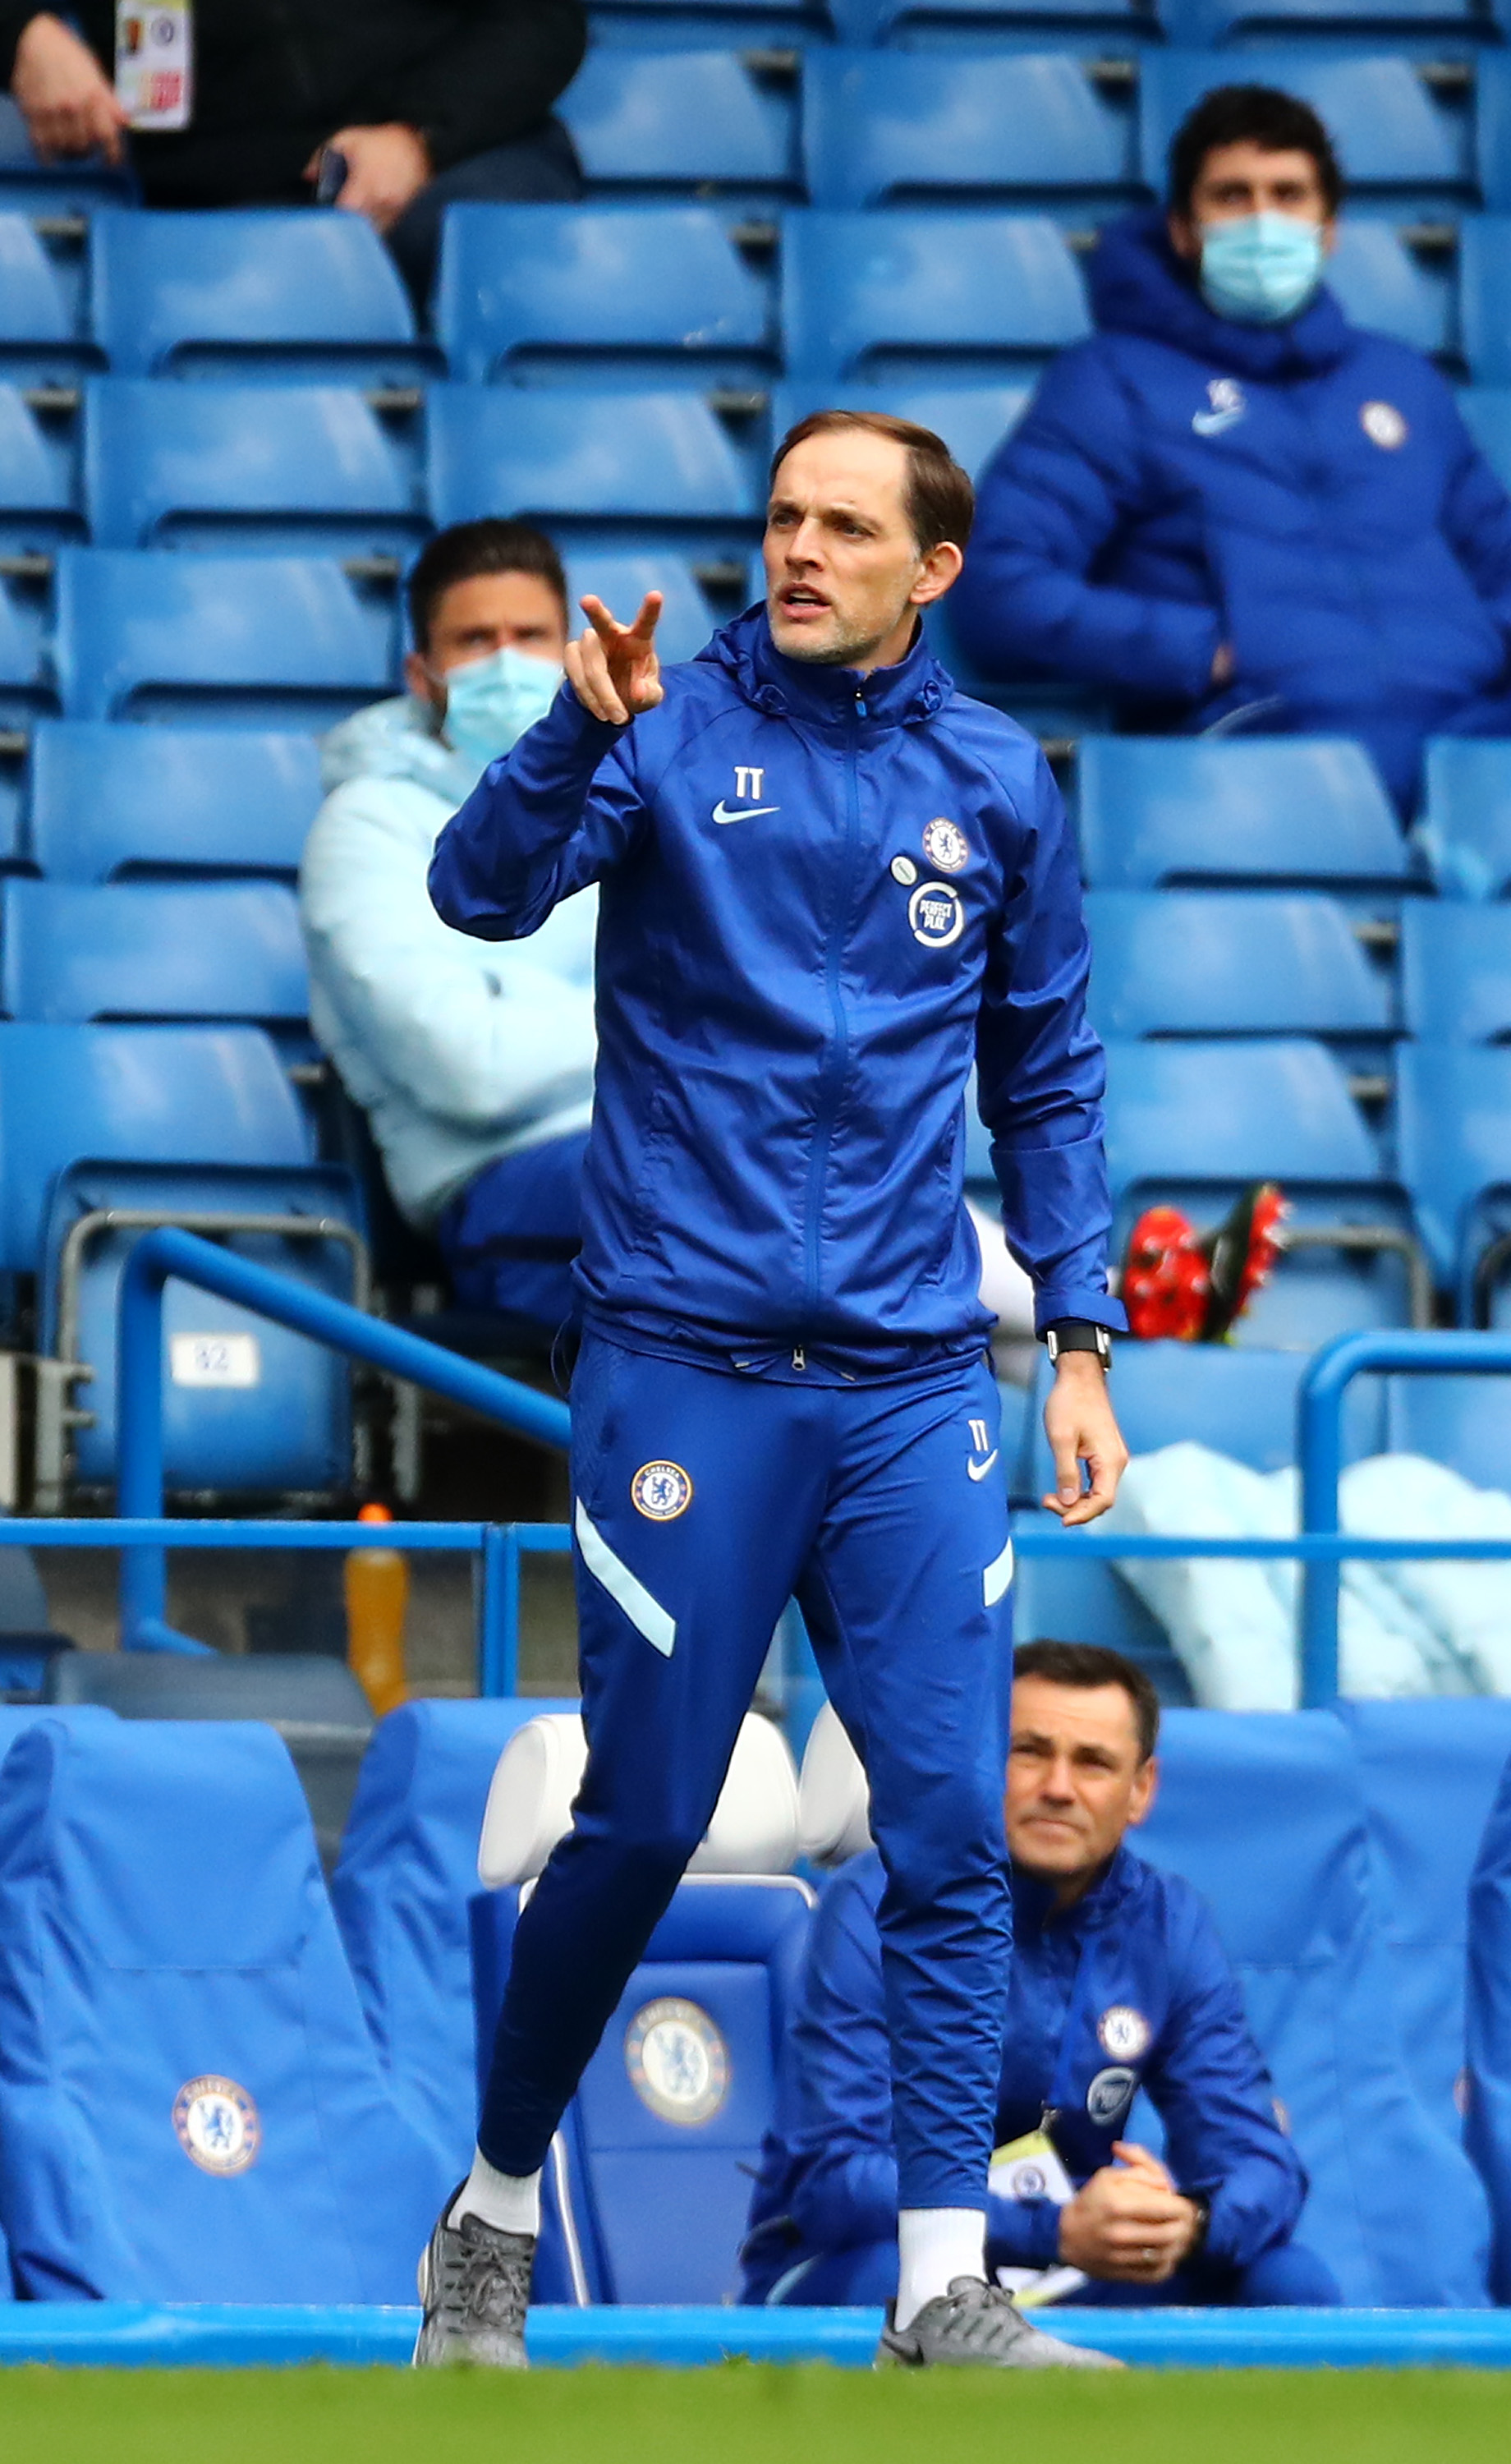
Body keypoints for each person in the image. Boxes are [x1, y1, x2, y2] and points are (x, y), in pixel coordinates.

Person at [415, 409, 1131, 2370]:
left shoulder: (996, 776)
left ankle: (938, 2283)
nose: (795, 551)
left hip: (910, 1381)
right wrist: (569, 728)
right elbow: (473, 893)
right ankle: (484, 2216)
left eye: (840, 526)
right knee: (643, 1816)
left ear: (934, 569)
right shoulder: (658, 725)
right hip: (683, 1367)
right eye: (779, 518)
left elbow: (1049, 1074)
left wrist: (1072, 1334)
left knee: (946, 1829)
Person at [949, 85, 1511, 813]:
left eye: (1288, 194)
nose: (1262, 220)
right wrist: (1203, 653)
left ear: (1329, 227)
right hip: (1264, 738)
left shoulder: (1400, 380)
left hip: (1464, 721)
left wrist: (1494, 649)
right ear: (1185, 230)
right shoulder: (1112, 382)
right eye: (1232, 196)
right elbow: (1001, 584)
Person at [740, 1640, 1339, 2312]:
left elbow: (1259, 2163)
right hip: (870, 2261)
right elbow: (833, 2180)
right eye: (1030, 1752)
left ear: (1140, 1791)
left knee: (1290, 2282)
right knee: (901, 2283)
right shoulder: (873, 1906)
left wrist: (1188, 2224)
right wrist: (1051, 2229)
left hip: (1071, 2265)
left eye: (1093, 1763)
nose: (1058, 1788)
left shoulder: (1168, 1924)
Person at [301, 520, 595, 1334]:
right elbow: (473, 1068)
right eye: (474, 640)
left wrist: (521, 1004)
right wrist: (656, 1019)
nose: (506, 662)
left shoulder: (622, 796)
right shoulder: (365, 829)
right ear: (421, 673)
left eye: (531, 636)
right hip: (503, 1190)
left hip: (671, 1151)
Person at [1, 0, 584, 303]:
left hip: (468, 154)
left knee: (474, 245)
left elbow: (543, 19)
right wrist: (25, 35)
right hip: (242, 202)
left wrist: (417, 138)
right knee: (251, 306)